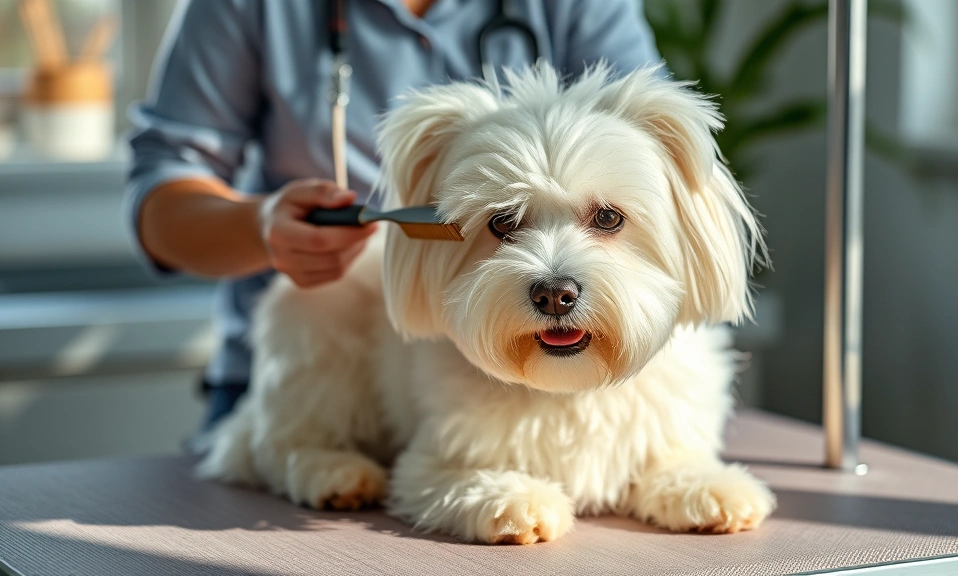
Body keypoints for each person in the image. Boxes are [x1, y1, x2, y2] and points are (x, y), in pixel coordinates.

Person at [127, 0, 662, 443]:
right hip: (296, 376)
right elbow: (163, 195)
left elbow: (650, 168)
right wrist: (261, 227)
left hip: (570, 382)